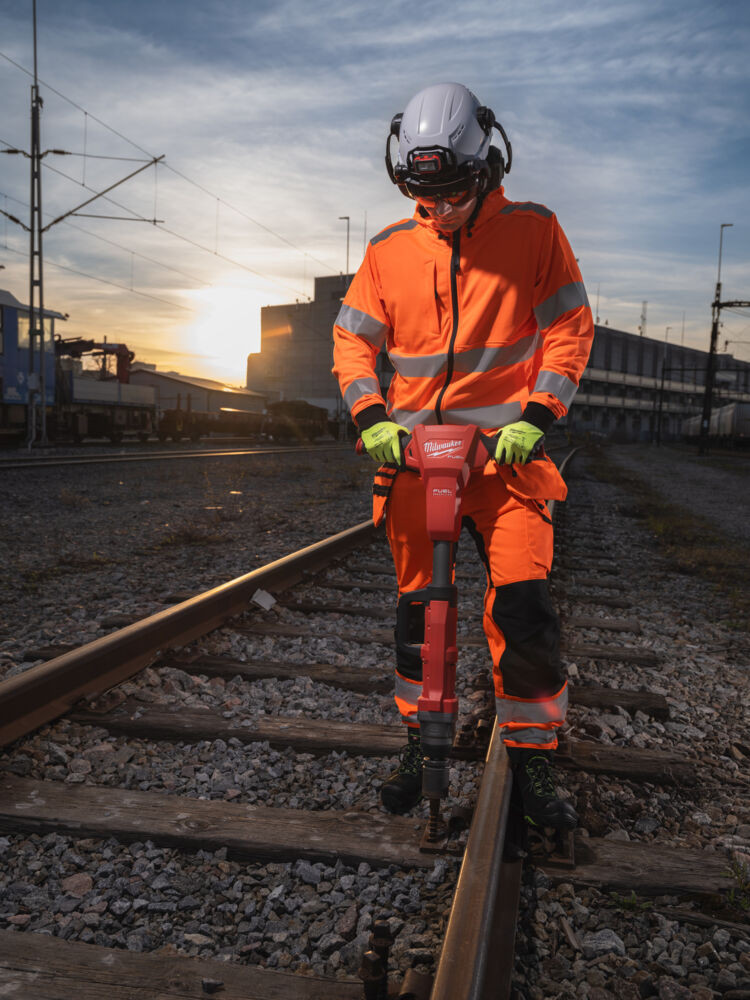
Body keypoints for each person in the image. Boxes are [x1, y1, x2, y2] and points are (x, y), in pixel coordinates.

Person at [332, 82, 594, 831]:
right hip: (418, 464)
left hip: (506, 464)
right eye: (425, 193)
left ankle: (533, 753)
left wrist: (537, 415)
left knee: (523, 608)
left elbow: (570, 327)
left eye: (453, 191)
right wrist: (371, 416)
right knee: (421, 615)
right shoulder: (387, 250)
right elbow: (352, 340)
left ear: (488, 167)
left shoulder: (534, 232)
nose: (440, 207)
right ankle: (421, 742)